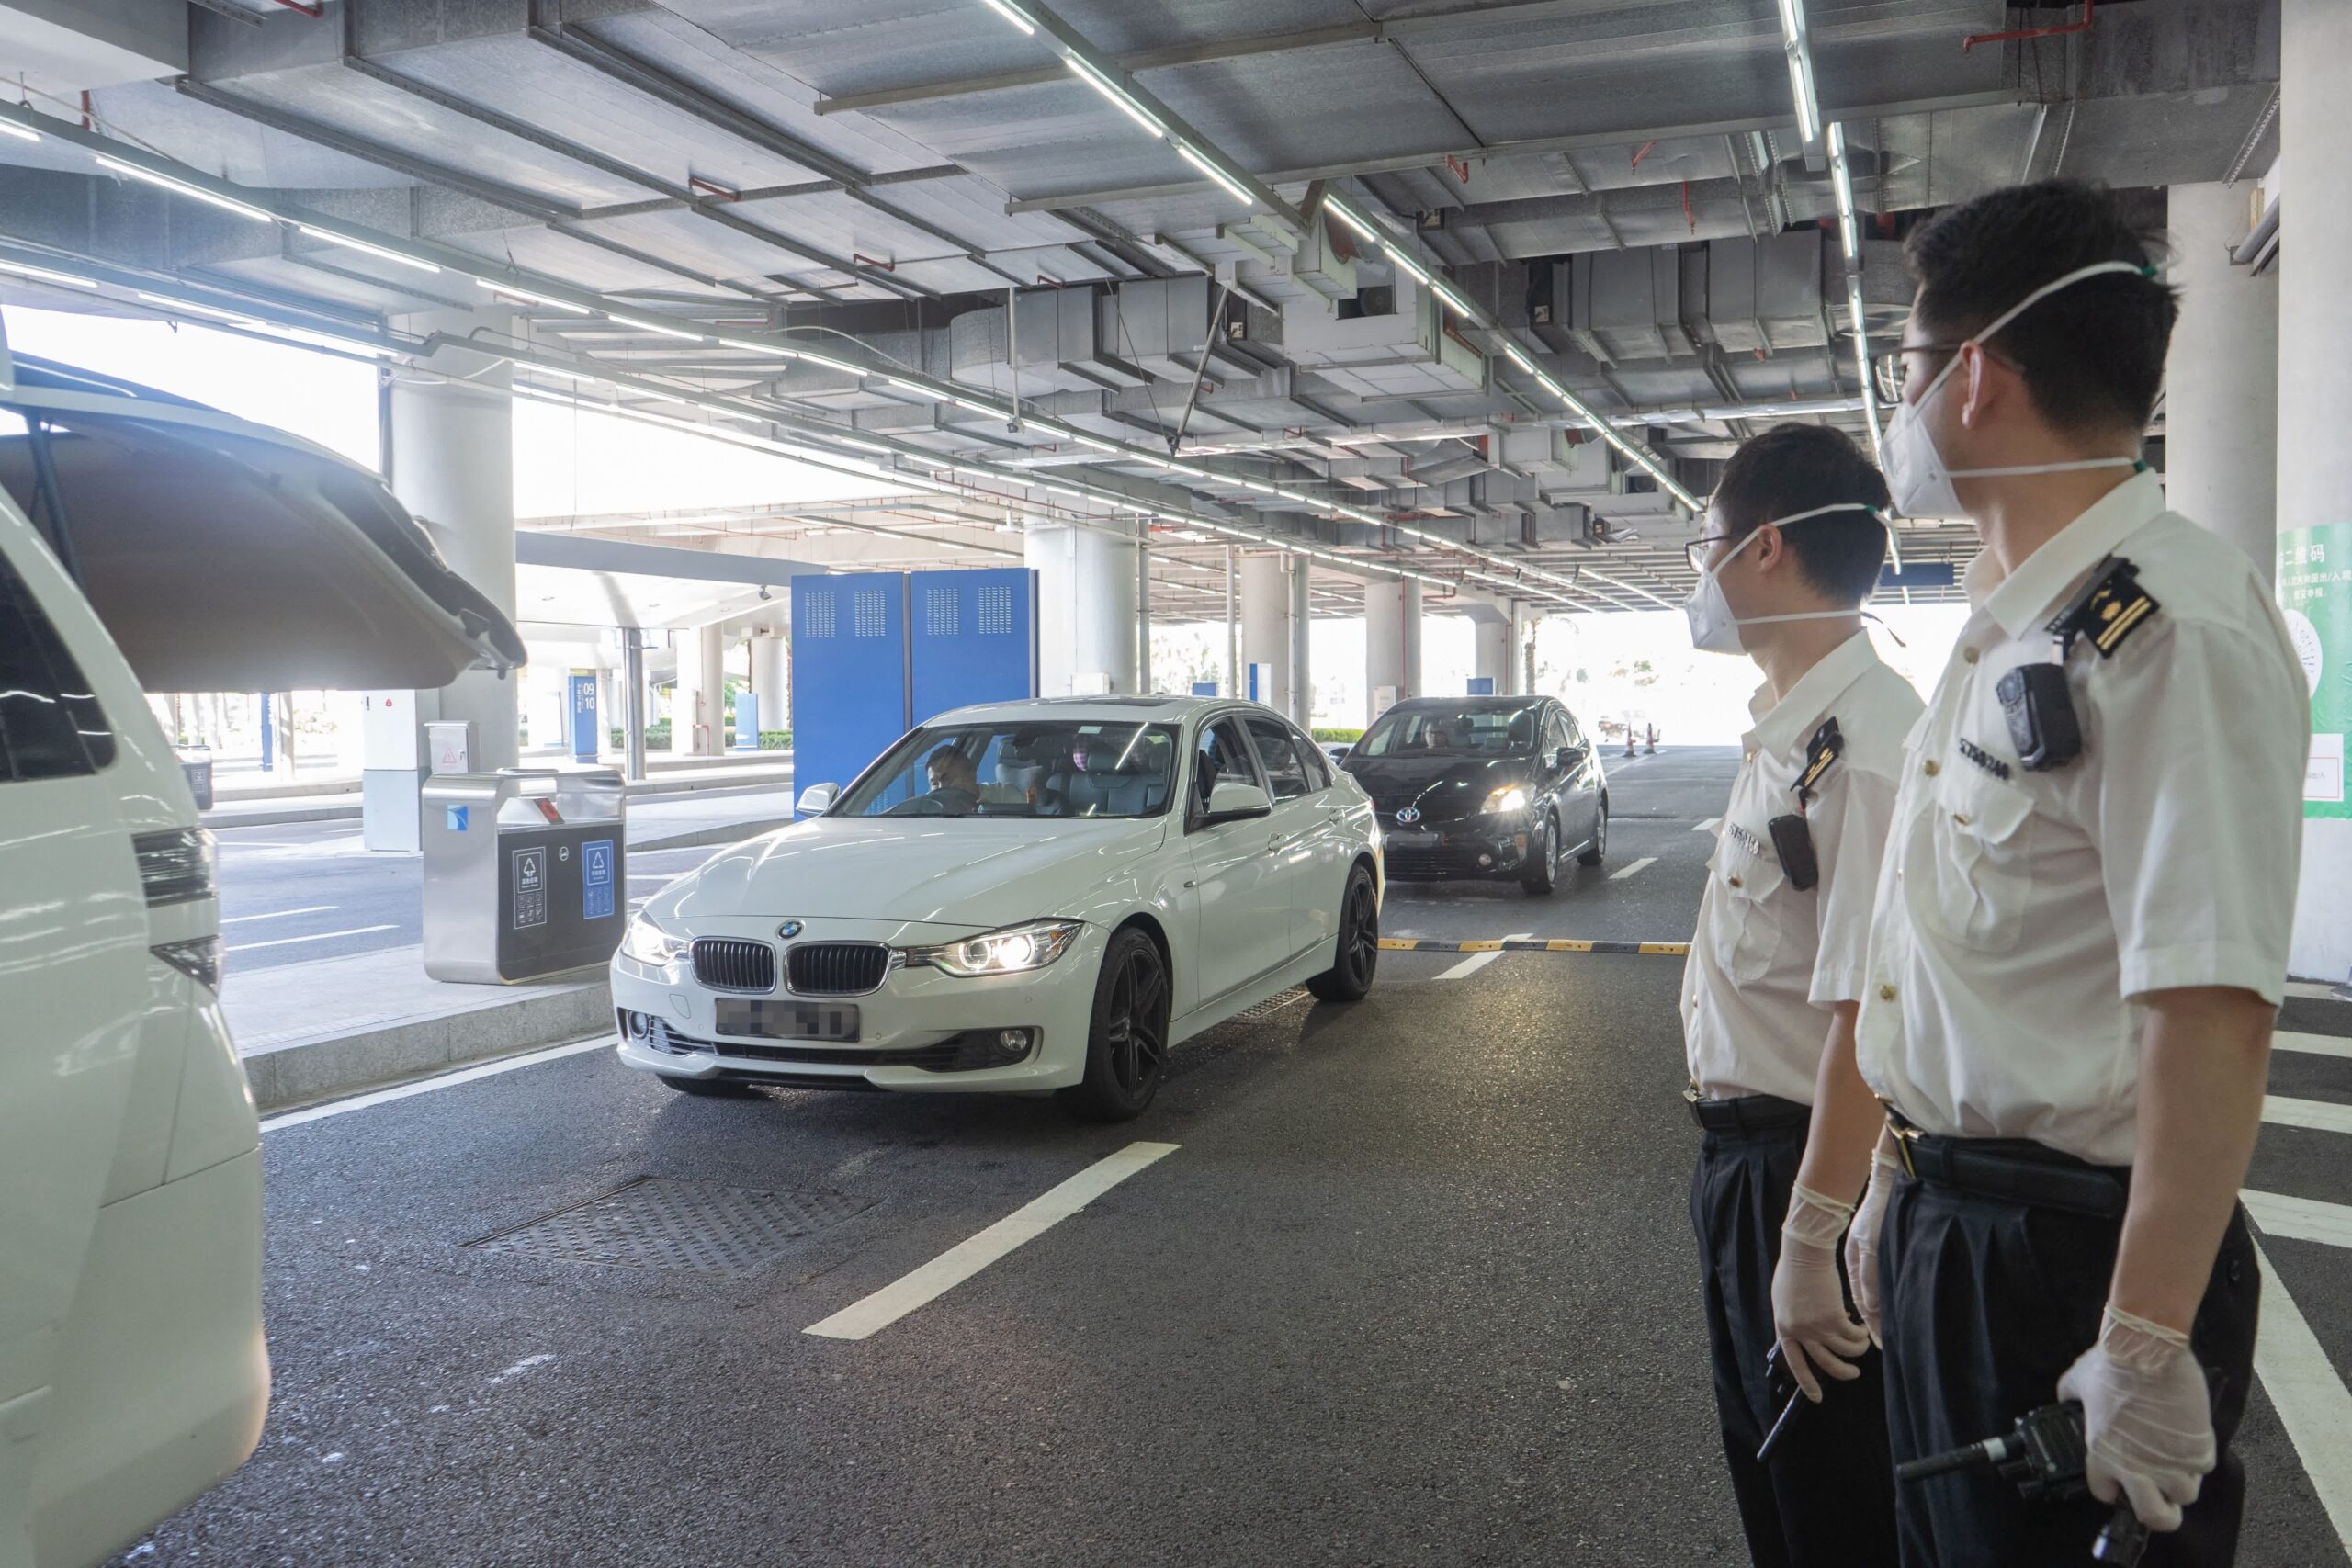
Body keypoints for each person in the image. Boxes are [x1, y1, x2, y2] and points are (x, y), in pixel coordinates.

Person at [1845, 179, 2308, 1565]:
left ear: (1975, 375)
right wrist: (1895, 1172)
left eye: (1907, 368)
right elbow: (1963, 961)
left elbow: (2210, 1003)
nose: (1902, 403)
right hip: (1963, 1225)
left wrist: (2147, 1338)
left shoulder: (2170, 629)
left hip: (2072, 1266)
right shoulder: (2012, 630)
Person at [1679, 422, 1918, 1568]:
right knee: (1774, 1486)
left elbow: (1864, 1016)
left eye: (1707, 542)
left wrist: (1810, 1235)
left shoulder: (1866, 750)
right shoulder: (1792, 736)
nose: (1702, 572)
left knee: (1832, 1511)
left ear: (1763, 547)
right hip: (1743, 1169)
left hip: (1796, 1164)